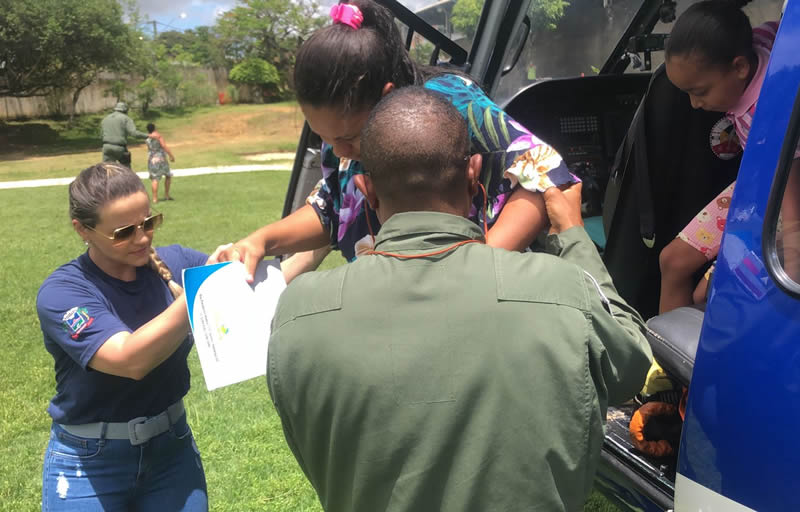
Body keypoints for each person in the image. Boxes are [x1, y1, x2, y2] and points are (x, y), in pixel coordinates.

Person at [267, 88, 653, 512]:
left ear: (366, 191)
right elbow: (630, 364)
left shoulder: (297, 316)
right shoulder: (564, 293)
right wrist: (573, 235)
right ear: (473, 175)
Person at [218, 0, 576, 282]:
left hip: (480, 298)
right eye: (323, 137)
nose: (339, 151)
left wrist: (479, 268)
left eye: (347, 137)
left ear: (386, 95)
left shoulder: (451, 102)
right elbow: (333, 209)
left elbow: (545, 173)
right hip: (392, 301)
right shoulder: (341, 136)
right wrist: (263, 240)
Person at [36, 162, 222, 510]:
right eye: (123, 232)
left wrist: (328, 227)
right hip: (89, 464)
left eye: (148, 223)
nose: (142, 238)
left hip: (172, 451)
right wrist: (201, 293)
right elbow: (131, 359)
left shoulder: (177, 261)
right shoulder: (62, 292)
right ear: (83, 229)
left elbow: (257, 288)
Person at [658, 1, 800, 311]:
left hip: (783, 193)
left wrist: (790, 275)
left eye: (701, 91)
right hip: (759, 181)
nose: (695, 104)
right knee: (672, 261)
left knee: (705, 295)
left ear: (739, 67)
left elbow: (790, 202)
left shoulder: (766, 117)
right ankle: (661, 355)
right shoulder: (761, 41)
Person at [101, 102, 148, 167]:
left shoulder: (105, 118)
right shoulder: (126, 118)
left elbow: (102, 134)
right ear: (125, 110)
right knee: (126, 170)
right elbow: (133, 133)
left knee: (108, 170)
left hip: (106, 147)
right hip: (119, 148)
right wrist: (148, 136)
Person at [146, 123, 176, 203]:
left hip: (151, 159)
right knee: (168, 175)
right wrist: (171, 156)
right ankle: (166, 195)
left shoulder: (148, 138)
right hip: (161, 158)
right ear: (154, 128)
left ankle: (155, 198)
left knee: (155, 179)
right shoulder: (158, 136)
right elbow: (163, 146)